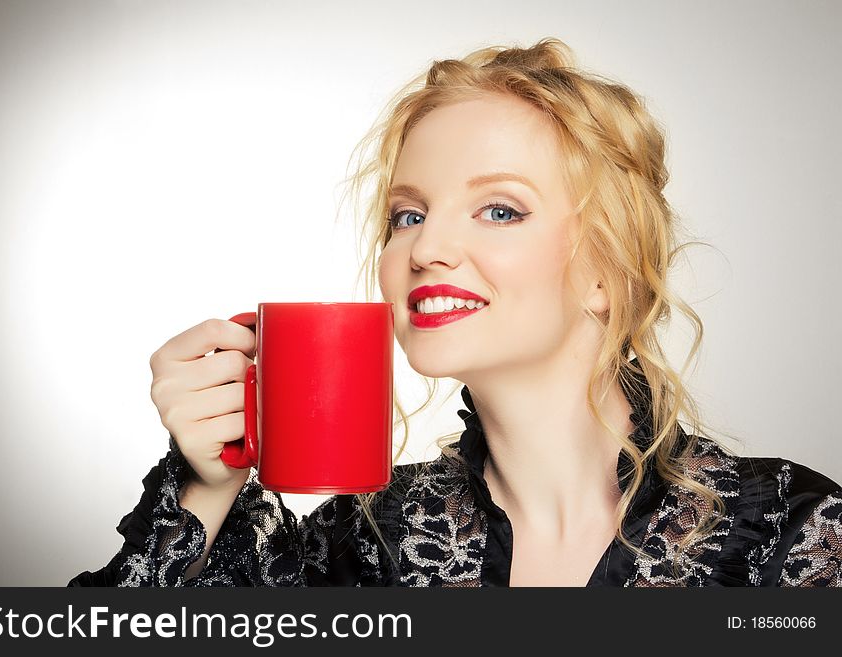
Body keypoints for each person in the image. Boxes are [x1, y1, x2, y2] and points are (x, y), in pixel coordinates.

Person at [69, 38, 841, 587]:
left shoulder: (792, 535)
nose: (426, 246)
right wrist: (207, 487)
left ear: (607, 271)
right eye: (407, 215)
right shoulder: (357, 549)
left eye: (499, 210)